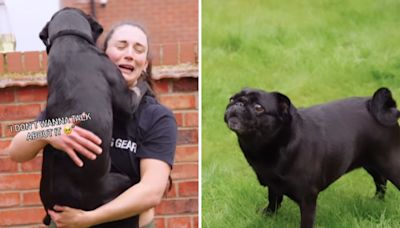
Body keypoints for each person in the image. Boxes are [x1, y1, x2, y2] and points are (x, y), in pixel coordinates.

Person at [6, 22, 177, 228]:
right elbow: (16, 151)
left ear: (145, 64)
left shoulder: (156, 116)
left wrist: (88, 219)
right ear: (102, 56)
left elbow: (152, 191)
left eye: (138, 49)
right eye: (121, 46)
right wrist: (48, 132)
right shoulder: (74, 103)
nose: (130, 54)